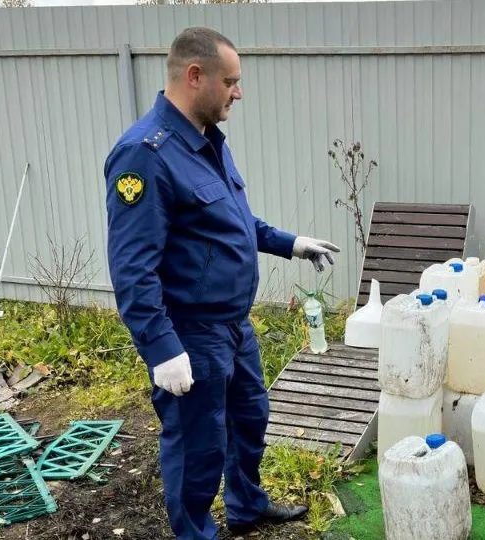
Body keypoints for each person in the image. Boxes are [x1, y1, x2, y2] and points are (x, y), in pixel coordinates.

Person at [104, 27, 341, 539]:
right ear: (195, 76)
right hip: (191, 333)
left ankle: (246, 507)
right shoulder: (145, 155)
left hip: (233, 325)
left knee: (249, 419)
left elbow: (232, 220)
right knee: (197, 447)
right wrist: (161, 348)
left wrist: (290, 242)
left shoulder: (206, 142)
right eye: (230, 82)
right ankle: (195, 532)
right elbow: (132, 268)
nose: (239, 92)